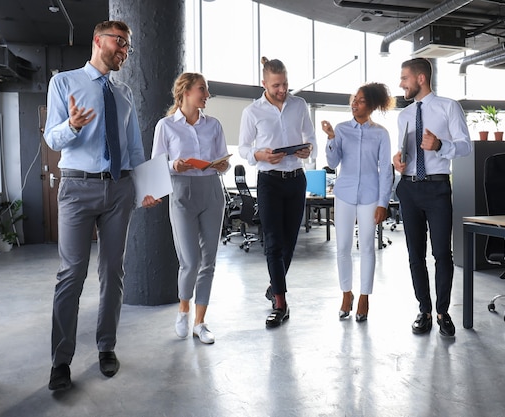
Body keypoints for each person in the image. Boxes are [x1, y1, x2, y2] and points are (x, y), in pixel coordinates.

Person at [44, 20, 160, 391]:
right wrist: (73, 126)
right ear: (98, 40)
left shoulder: (123, 93)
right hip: (78, 187)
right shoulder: (63, 83)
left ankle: (106, 347)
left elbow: (134, 148)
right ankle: (60, 361)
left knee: (113, 271)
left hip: (119, 190)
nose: (124, 51)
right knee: (72, 274)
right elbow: (52, 138)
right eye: (119, 42)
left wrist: (146, 185)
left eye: (128, 47)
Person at [392, 58, 472, 337]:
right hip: (408, 188)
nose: (401, 83)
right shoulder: (403, 116)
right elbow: (403, 152)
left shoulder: (449, 107)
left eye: (404, 78)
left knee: (441, 254)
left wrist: (440, 145)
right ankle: (424, 310)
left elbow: (465, 147)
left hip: (437, 188)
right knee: (415, 254)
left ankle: (443, 311)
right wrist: (397, 161)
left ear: (421, 78)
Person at [150, 72, 229, 345]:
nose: (206, 95)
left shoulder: (214, 125)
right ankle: (183, 309)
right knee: (190, 261)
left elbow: (224, 161)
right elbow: (157, 163)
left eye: (206, 90)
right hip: (182, 192)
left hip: (211, 192)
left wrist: (222, 164)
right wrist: (175, 165)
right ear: (185, 92)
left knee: (209, 261)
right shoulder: (166, 126)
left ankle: (200, 322)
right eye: (202, 90)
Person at [238, 57, 317, 329]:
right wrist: (258, 154)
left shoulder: (299, 105)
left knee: (289, 242)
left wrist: (309, 149)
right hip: (268, 181)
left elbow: (311, 137)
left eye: (285, 84)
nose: (282, 90)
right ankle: (280, 304)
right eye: (276, 86)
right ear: (264, 84)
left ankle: (275, 286)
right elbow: (244, 148)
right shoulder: (252, 112)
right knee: (272, 241)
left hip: (296, 179)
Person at [321, 83, 394, 322]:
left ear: (371, 105)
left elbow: (385, 171)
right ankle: (346, 294)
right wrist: (331, 138)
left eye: (361, 101)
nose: (355, 104)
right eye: (354, 100)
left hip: (370, 196)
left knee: (366, 248)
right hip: (344, 193)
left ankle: (364, 297)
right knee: (342, 247)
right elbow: (332, 163)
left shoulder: (381, 133)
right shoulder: (341, 129)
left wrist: (384, 202)